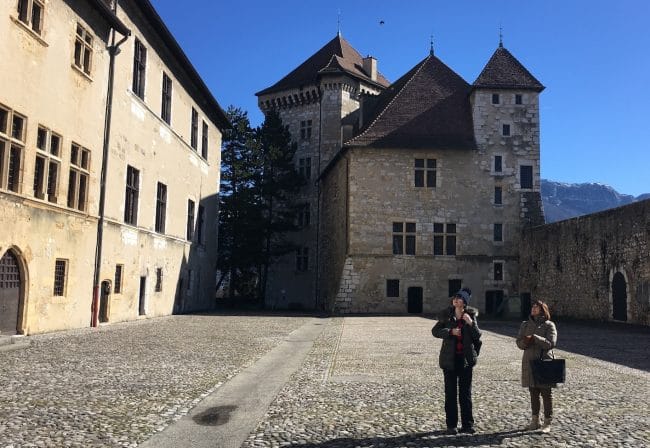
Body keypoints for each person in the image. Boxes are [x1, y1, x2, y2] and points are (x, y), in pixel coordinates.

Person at [432, 288, 482, 434]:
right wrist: (450, 332)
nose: (455, 299)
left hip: (465, 360)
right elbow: (435, 331)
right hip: (449, 360)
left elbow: (477, 336)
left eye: (459, 297)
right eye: (455, 297)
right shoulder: (446, 316)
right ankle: (451, 425)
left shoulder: (470, 316)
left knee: (465, 394)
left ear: (464, 302)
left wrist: (471, 323)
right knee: (450, 394)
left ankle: (467, 424)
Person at [516, 300, 558, 433]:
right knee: (533, 392)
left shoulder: (549, 325)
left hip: (544, 361)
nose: (533, 309)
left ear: (542, 309)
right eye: (533, 306)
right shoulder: (525, 324)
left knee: (546, 393)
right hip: (529, 361)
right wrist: (525, 342)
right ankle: (535, 421)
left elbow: (551, 343)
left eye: (536, 307)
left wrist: (535, 338)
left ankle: (547, 422)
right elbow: (519, 343)